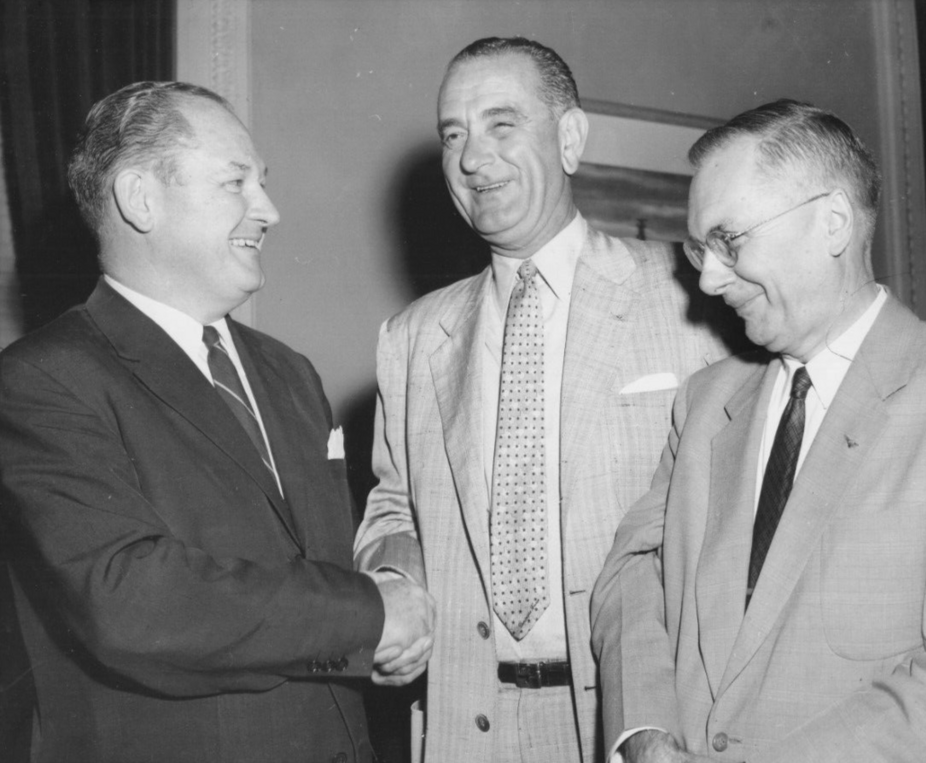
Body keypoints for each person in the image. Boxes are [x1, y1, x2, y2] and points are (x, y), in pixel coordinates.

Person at [0, 81, 434, 763]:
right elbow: (131, 602)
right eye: (236, 182)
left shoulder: (291, 374)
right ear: (141, 199)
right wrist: (371, 616)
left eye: (262, 183)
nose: (269, 210)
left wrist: (394, 585)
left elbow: (314, 571)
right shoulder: (44, 380)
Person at [354, 37, 729, 762]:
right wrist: (395, 577)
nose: (471, 158)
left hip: (640, 722)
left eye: (501, 124)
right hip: (468, 721)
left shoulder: (692, 301)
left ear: (570, 137)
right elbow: (393, 503)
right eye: (453, 135)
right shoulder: (411, 337)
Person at [591, 98, 926, 763]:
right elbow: (631, 578)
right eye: (698, 248)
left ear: (830, 223)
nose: (708, 279)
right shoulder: (703, 402)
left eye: (728, 241)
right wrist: (645, 733)